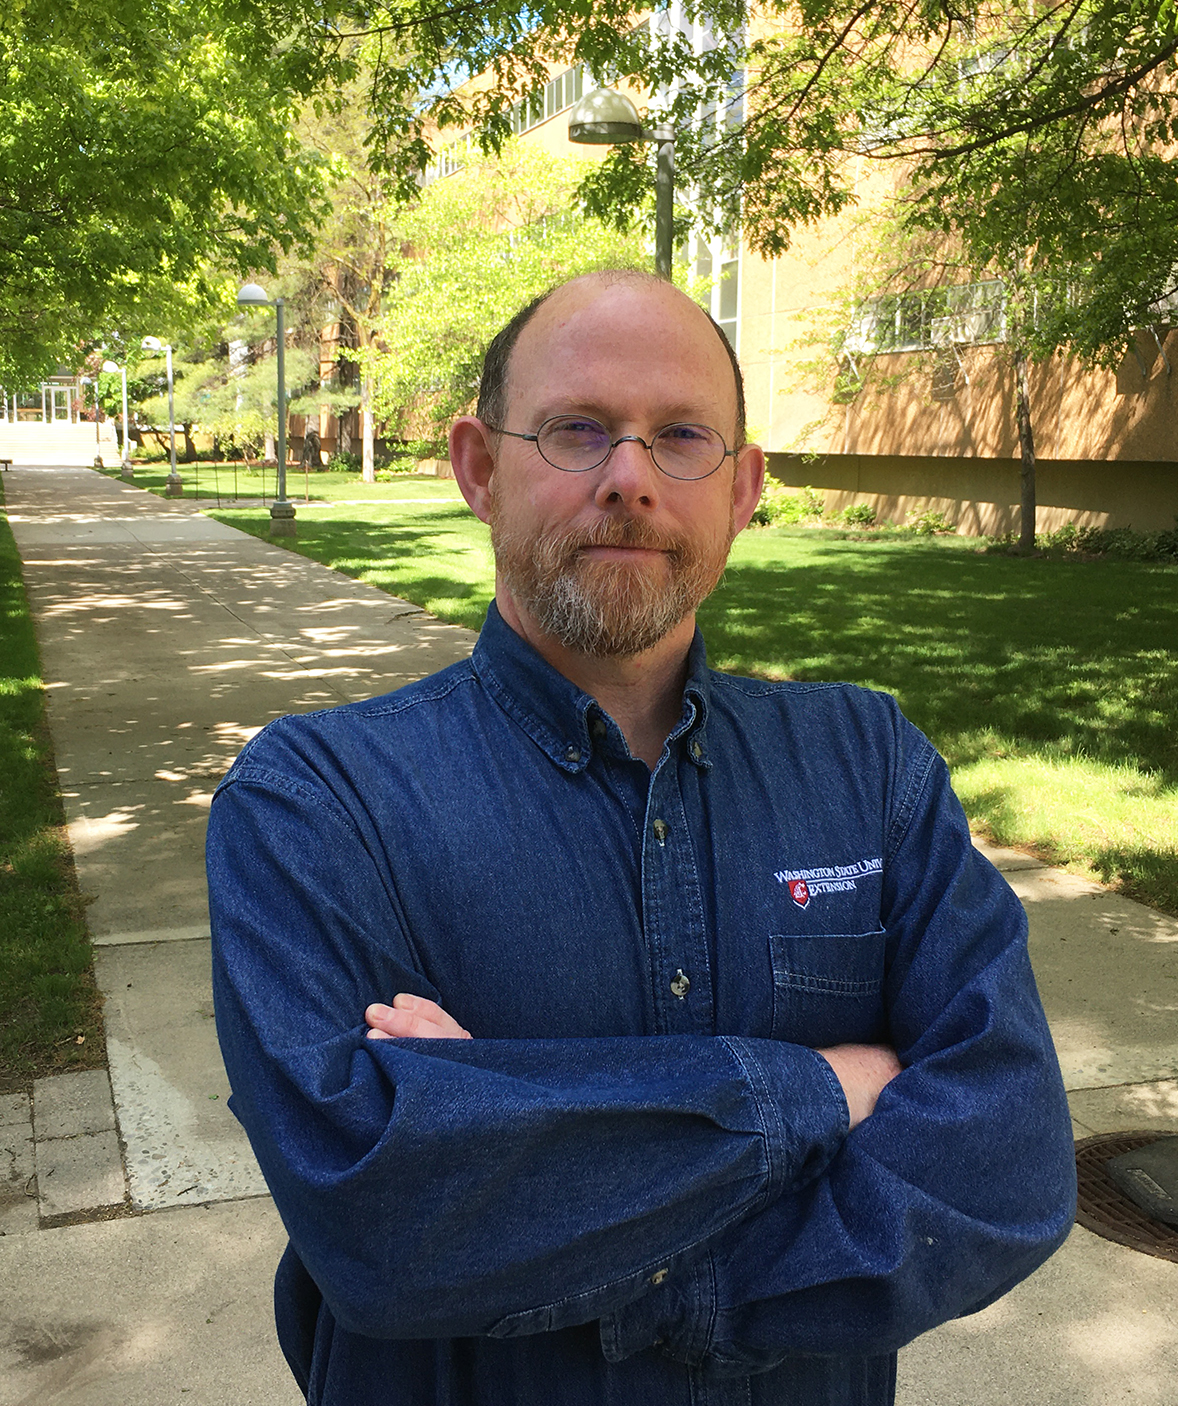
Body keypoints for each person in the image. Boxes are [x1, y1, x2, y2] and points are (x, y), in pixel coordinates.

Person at [207, 269, 1076, 1406]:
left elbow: (1003, 1162)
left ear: (743, 486)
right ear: (478, 466)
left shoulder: (868, 766)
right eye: (576, 431)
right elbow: (379, 1218)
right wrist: (823, 1088)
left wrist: (515, 1142)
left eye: (679, 437)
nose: (629, 480)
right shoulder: (315, 800)